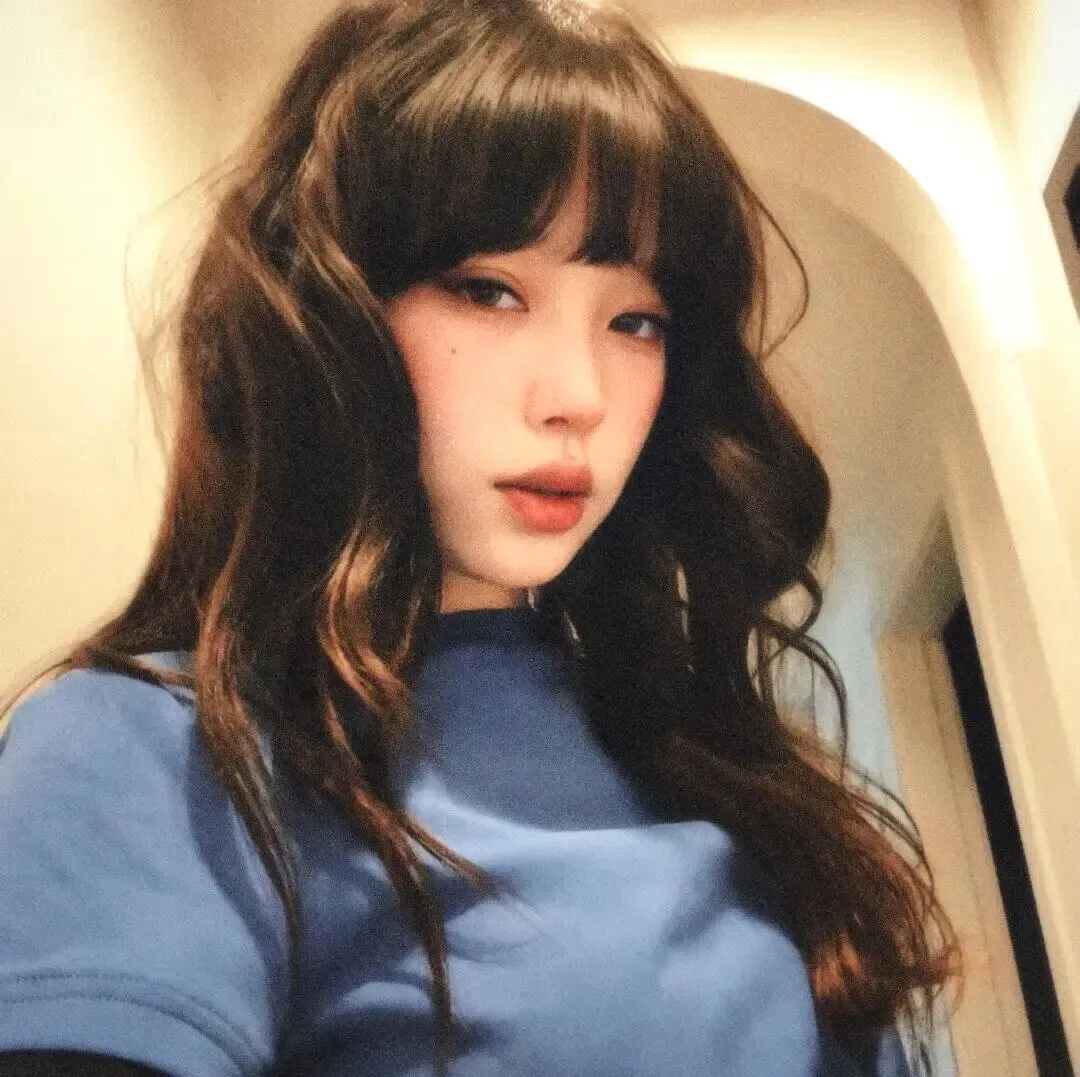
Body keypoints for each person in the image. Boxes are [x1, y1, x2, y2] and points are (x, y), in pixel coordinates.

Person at [0, 0, 959, 1074]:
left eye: (636, 321)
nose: (580, 394)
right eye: (490, 291)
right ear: (322, 311)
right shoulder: (158, 752)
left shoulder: (710, 755)